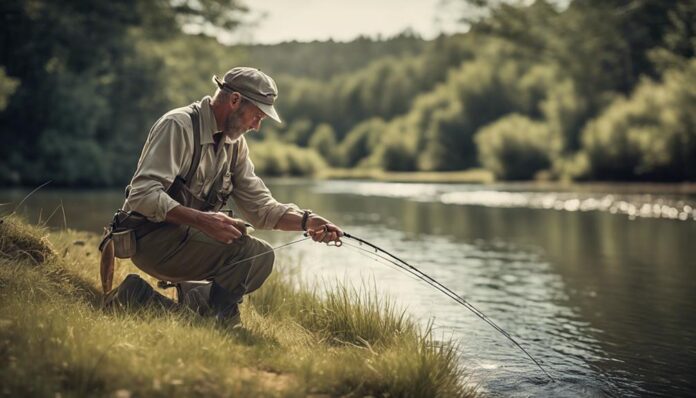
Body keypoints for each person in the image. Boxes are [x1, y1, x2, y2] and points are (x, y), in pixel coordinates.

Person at [118, 66, 342, 322]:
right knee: (253, 254)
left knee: (257, 258)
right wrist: (204, 221)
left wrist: (307, 221)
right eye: (257, 116)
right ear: (235, 100)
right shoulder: (177, 126)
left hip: (186, 239)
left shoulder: (235, 145)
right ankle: (220, 322)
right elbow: (141, 195)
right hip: (149, 240)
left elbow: (262, 209)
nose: (257, 126)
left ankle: (145, 298)